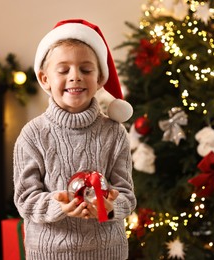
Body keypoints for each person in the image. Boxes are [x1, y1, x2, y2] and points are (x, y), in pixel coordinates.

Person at [13, 19, 136, 260]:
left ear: (100, 79)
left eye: (86, 70)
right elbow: (25, 199)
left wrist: (111, 205)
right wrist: (60, 204)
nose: (75, 77)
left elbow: (127, 195)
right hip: (49, 253)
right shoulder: (32, 134)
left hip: (106, 252)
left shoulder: (114, 133)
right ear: (45, 78)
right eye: (63, 70)